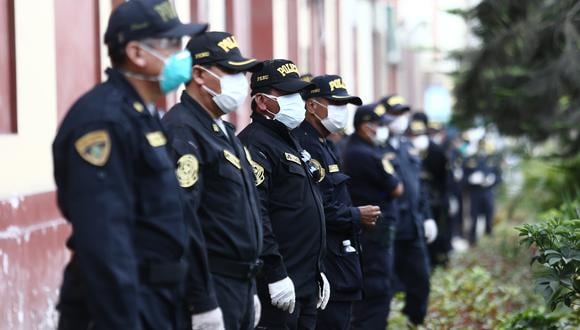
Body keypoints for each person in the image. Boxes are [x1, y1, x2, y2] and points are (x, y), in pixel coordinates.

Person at [52, 1, 212, 329]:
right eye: (171, 45)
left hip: (158, 300)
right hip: (121, 306)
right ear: (137, 54)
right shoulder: (102, 121)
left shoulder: (144, 116)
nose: (182, 55)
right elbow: (105, 241)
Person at [162, 31, 264, 329]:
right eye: (231, 72)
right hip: (212, 286)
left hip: (239, 287)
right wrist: (201, 301)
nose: (241, 82)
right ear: (199, 75)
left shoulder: (224, 131)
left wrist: (251, 290)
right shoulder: (183, 130)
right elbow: (183, 223)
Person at [238, 59, 328, 330]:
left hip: (305, 282)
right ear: (262, 102)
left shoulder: (290, 140)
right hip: (279, 286)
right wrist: (275, 274)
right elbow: (258, 214)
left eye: (299, 94)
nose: (297, 101)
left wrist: (318, 269)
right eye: (287, 95)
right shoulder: (255, 144)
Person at [293, 75, 380, 330]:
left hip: (342, 262)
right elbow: (316, 207)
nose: (341, 111)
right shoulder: (305, 144)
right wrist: (356, 216)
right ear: (311, 105)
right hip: (325, 265)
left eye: (345, 105)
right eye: (335, 103)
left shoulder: (327, 144)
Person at [344, 103, 404, 330]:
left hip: (372, 230)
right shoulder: (364, 153)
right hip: (373, 232)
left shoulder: (361, 149)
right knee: (377, 289)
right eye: (378, 125)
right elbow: (397, 189)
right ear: (366, 127)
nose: (381, 129)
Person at [379, 95, 435, 326]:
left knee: (421, 279)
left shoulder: (407, 147)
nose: (401, 119)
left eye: (403, 114)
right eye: (396, 114)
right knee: (385, 283)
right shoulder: (376, 147)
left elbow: (419, 188)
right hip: (388, 227)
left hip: (413, 226)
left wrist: (428, 218)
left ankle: (415, 319)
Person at [408, 112, 453, 267]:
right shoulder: (405, 147)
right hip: (414, 197)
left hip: (435, 197)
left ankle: (438, 259)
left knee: (438, 230)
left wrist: (446, 198)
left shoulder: (436, 150)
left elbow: (445, 178)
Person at [463, 138, 501, 244]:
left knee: (489, 215)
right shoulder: (471, 159)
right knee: (473, 216)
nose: (483, 149)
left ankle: (489, 238)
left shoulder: (492, 160)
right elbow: (463, 178)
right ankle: (472, 239)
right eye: (481, 146)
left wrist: (492, 180)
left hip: (488, 192)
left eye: (484, 147)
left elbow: (499, 177)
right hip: (475, 192)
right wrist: (471, 179)